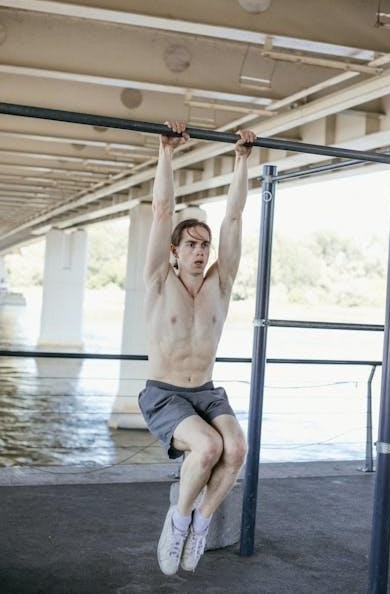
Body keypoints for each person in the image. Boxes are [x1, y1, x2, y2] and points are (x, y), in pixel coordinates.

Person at [138, 120, 257, 576]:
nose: (200, 251)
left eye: (204, 245)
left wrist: (241, 160)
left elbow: (234, 217)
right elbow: (162, 209)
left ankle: (201, 523)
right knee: (206, 448)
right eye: (191, 245)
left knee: (236, 450)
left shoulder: (219, 285)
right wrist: (166, 152)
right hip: (164, 393)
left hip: (206, 392)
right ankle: (178, 522)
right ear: (174, 251)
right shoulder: (158, 281)